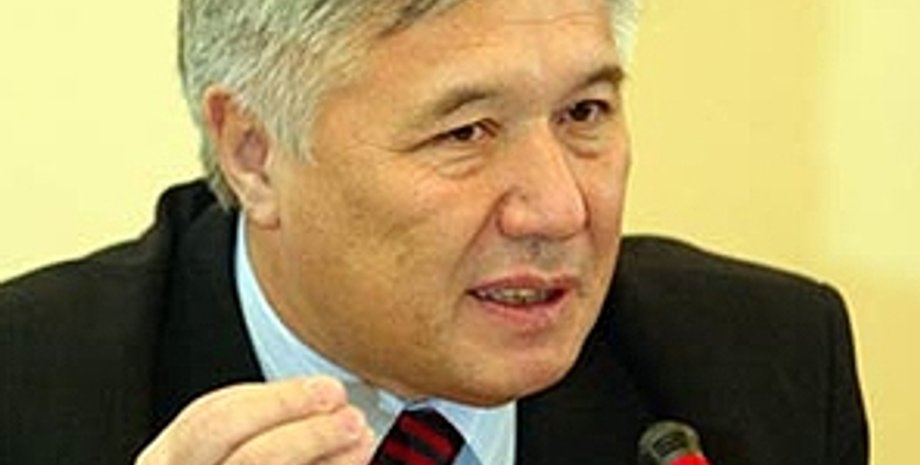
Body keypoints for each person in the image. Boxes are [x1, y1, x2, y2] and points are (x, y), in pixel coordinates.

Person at [0, 0, 868, 464]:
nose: (559, 210)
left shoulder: (770, 367)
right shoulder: (29, 395)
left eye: (584, 112)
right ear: (255, 154)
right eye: (465, 132)